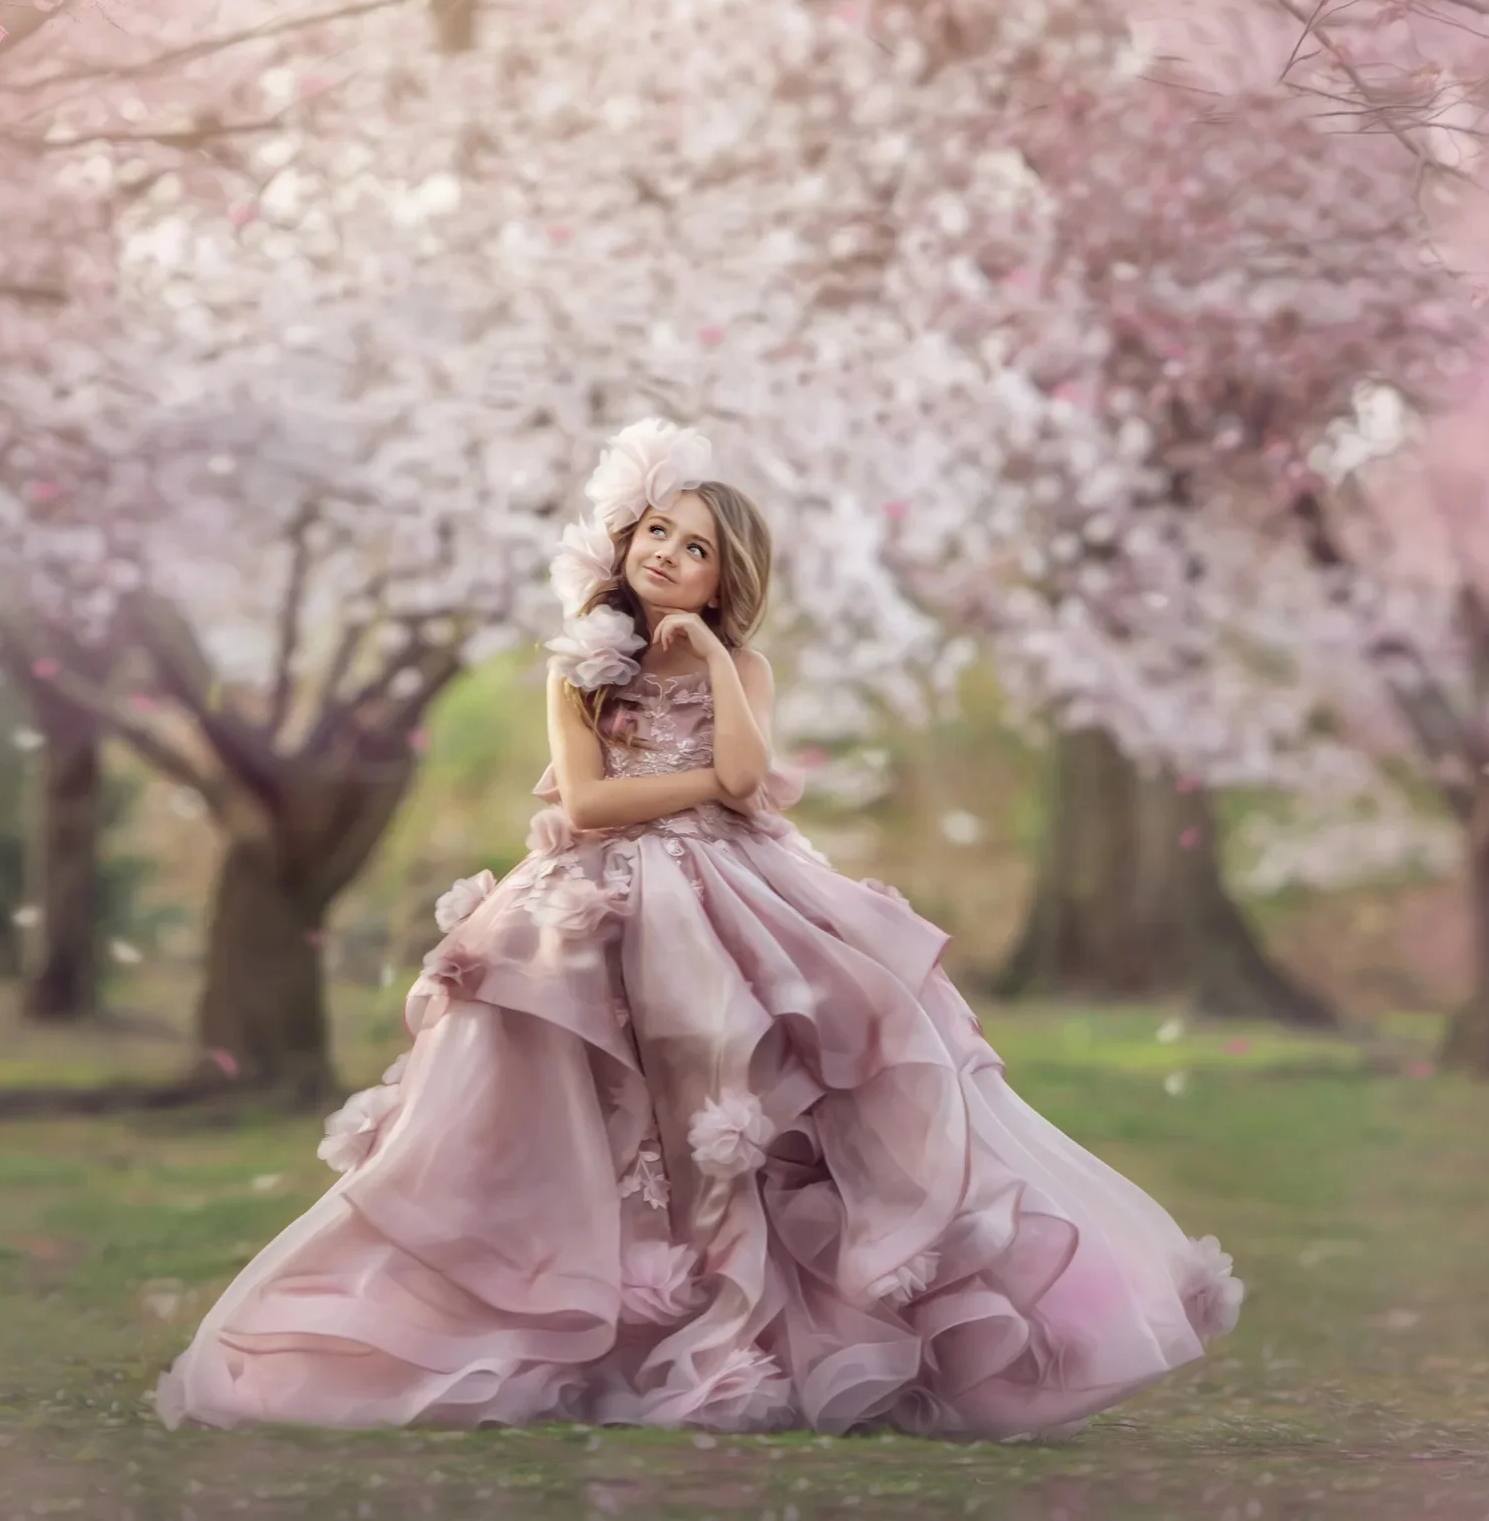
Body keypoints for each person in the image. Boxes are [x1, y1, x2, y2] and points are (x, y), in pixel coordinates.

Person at [156, 418, 1243, 1437]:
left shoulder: (742, 666)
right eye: (660, 531)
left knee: (743, 1095)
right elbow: (585, 805)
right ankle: (595, 1306)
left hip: (739, 893)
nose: (670, 554)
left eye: (698, 547)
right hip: (593, 900)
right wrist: (697, 791)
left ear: (730, 579)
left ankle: (755, 1329)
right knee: (598, 1103)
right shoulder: (584, 666)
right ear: (628, 540)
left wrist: (719, 673)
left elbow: (742, 774)